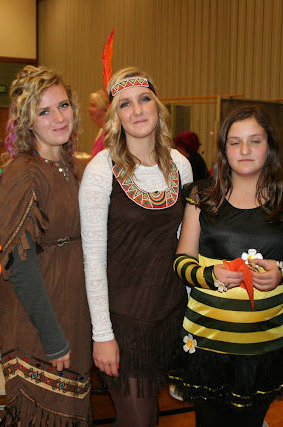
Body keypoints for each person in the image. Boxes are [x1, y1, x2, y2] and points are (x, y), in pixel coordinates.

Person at [169, 105, 283, 426]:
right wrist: (209, 275)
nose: (245, 150)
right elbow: (182, 260)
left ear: (270, 146)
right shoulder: (202, 196)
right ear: (224, 149)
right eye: (235, 142)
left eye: (255, 141)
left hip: (263, 347)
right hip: (207, 344)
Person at [79, 66, 193, 426]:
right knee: (139, 420)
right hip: (124, 322)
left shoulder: (181, 165)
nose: (138, 110)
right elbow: (93, 260)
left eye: (144, 99)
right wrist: (102, 335)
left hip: (170, 315)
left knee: (151, 417)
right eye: (125, 104)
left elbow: (186, 247)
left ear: (157, 105)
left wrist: (192, 317)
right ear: (115, 115)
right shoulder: (101, 169)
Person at [0, 65, 92, 426]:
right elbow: (21, 268)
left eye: (63, 106)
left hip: (73, 311)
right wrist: (52, 338)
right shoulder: (23, 174)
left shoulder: (72, 167)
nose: (59, 118)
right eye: (44, 111)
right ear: (27, 121)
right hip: (40, 321)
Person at [88, 90, 108, 156]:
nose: (88, 109)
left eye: (93, 106)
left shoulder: (109, 134)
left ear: (104, 110)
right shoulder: (102, 131)